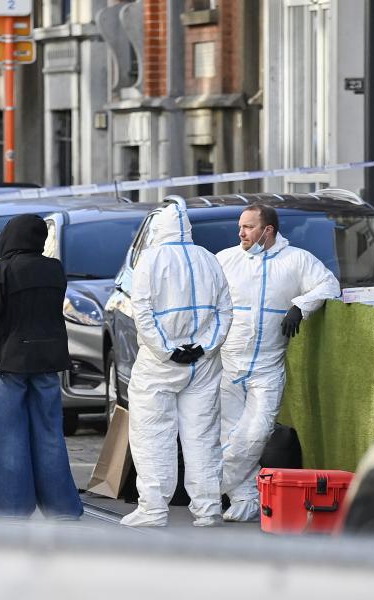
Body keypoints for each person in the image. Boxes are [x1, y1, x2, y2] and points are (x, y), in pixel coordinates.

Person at [216, 204, 339, 522]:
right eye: (240, 226)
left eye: (248, 227)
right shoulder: (226, 260)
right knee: (228, 434)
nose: (240, 233)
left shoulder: (296, 260)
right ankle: (245, 498)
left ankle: (208, 485)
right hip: (227, 363)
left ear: (267, 230)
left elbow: (328, 285)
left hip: (267, 367)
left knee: (256, 433)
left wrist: (300, 306)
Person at [121, 201, 233, 527]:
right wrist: (205, 347)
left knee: (153, 434)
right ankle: (209, 508)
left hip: (160, 365)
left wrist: (167, 351)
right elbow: (226, 311)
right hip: (203, 364)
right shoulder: (209, 259)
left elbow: (141, 311)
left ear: (158, 229)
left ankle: (154, 509)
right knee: (203, 436)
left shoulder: (150, 260)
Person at [0, 214, 82, 520]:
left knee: (8, 438)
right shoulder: (54, 269)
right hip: (48, 363)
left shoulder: (3, 270)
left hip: (11, 362)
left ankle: (14, 510)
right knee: (49, 435)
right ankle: (61, 508)